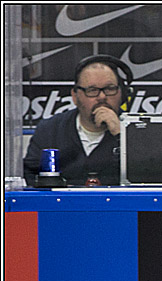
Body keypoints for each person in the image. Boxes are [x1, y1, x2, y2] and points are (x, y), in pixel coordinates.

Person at [23, 55, 133, 186]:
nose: (102, 97)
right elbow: (30, 178)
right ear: (75, 96)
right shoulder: (49, 130)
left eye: (110, 89)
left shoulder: (136, 130)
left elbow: (147, 176)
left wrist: (121, 134)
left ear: (122, 94)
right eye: (92, 90)